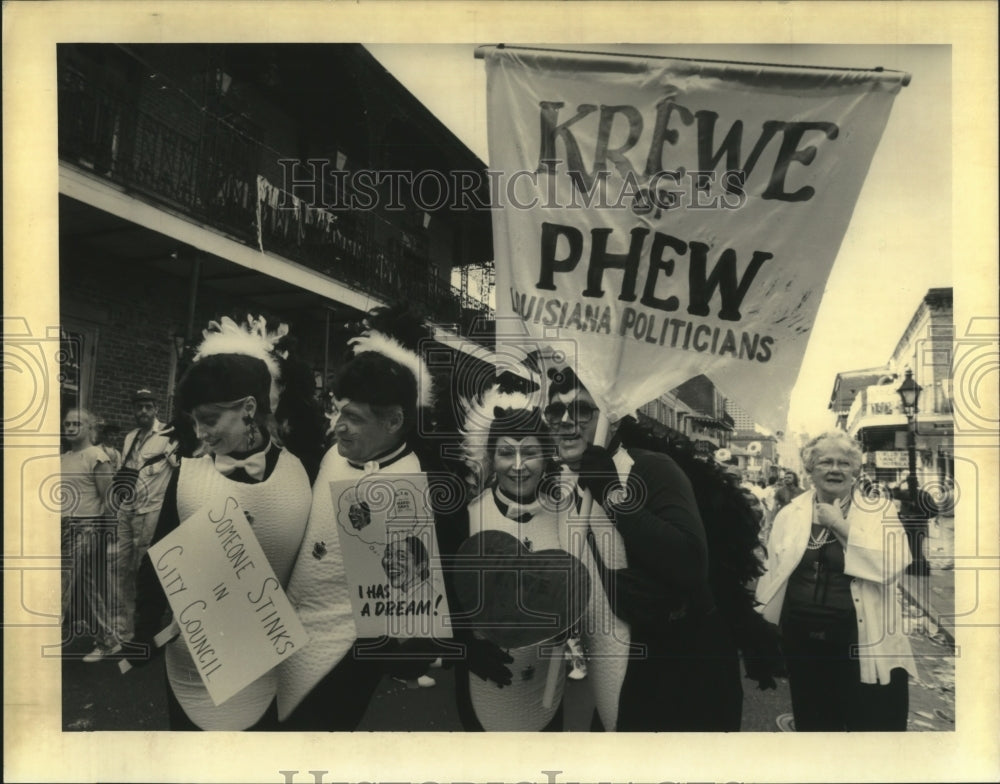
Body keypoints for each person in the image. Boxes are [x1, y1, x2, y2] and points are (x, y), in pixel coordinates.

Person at [131, 316, 314, 731]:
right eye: (194, 420)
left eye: (210, 419)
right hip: (195, 663)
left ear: (249, 408)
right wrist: (144, 628)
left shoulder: (302, 473)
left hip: (269, 665)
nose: (200, 432)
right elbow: (160, 554)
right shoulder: (188, 474)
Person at [545, 367, 748, 731]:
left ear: (612, 419)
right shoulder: (561, 485)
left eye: (580, 410)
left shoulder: (652, 467)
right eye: (555, 411)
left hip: (677, 675)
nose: (564, 421)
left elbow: (690, 562)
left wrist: (612, 494)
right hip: (613, 667)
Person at [276, 325, 455, 729]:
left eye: (352, 417)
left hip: (341, 659)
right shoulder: (332, 456)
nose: (337, 424)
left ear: (394, 421)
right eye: (338, 410)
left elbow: (407, 609)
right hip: (287, 637)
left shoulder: (410, 488)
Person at [755, 431, 916, 731]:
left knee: (868, 727)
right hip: (803, 642)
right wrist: (765, 626)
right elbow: (773, 572)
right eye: (825, 462)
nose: (835, 469)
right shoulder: (790, 514)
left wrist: (838, 524)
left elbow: (892, 565)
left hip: (860, 641)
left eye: (844, 463)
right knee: (816, 724)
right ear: (810, 470)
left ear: (856, 470)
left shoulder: (879, 510)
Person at [454, 397, 577, 731]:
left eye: (530, 453)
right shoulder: (467, 517)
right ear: (491, 458)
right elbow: (441, 600)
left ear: (547, 456)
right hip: (484, 683)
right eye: (506, 453)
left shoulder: (567, 514)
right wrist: (463, 645)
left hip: (546, 685)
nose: (518, 466)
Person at [111, 388, 177, 645]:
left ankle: (146, 625)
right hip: (127, 509)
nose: (143, 411)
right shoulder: (130, 438)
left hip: (151, 511)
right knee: (120, 566)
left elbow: (181, 469)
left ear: (157, 409)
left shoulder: (168, 436)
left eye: (148, 406)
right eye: (139, 407)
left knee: (144, 568)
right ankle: (125, 627)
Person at [60, 407, 119, 662]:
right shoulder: (64, 458)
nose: (71, 427)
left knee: (61, 581)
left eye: (77, 423)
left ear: (89, 428)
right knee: (86, 585)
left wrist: (110, 538)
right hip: (63, 527)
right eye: (67, 423)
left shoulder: (96, 456)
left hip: (86, 528)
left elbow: (109, 499)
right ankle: (108, 640)